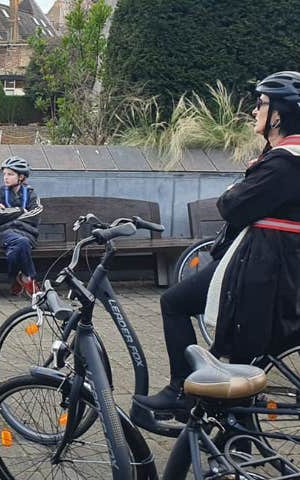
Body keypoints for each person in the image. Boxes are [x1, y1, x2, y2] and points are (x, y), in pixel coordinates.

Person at [137, 71, 300, 411]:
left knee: (176, 303)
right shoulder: (284, 159)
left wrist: (233, 192)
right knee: (246, 356)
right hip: (275, 262)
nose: (255, 111)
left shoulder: (285, 163)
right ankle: (226, 433)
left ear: (279, 115)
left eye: (261, 103)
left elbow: (233, 206)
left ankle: (184, 392)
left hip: (264, 267)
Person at [0, 156, 43, 297]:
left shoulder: (31, 193)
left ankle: (17, 277)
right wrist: (20, 211)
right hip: (5, 234)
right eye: (4, 174)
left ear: (21, 177)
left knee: (17, 247)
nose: (5, 177)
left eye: (10, 174)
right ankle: (29, 278)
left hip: (27, 233)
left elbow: (35, 215)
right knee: (21, 243)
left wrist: (9, 216)